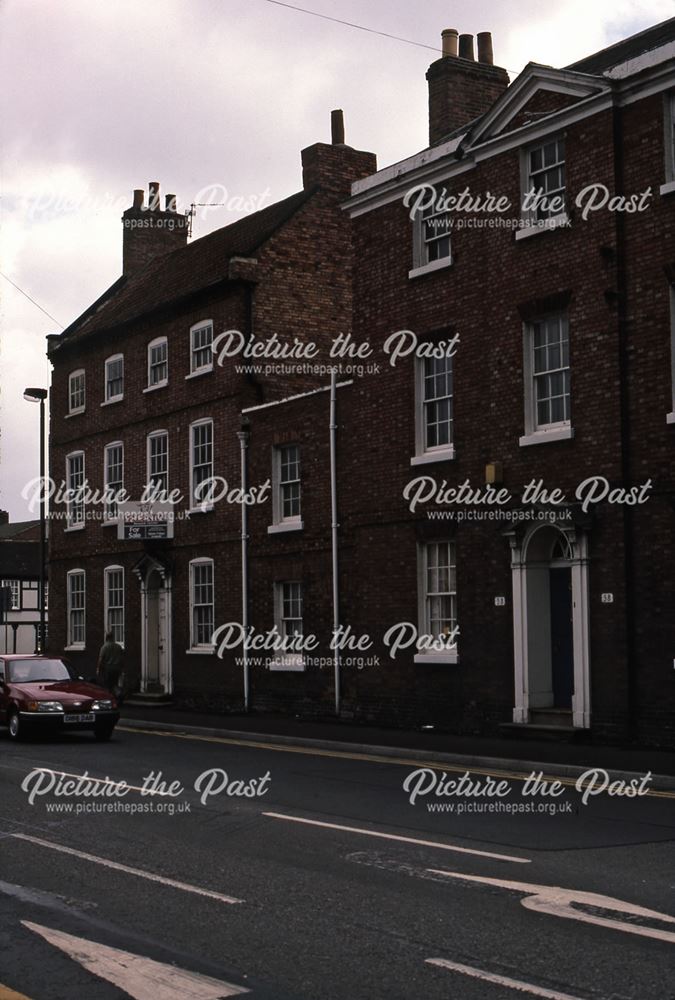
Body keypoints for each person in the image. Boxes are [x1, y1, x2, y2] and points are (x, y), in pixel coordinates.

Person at [97, 631, 124, 701]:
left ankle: (110, 699)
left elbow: (101, 659)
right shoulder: (118, 647)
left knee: (108, 685)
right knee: (115, 683)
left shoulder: (104, 647)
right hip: (117, 668)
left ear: (106, 638)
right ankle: (118, 695)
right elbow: (122, 659)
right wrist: (122, 669)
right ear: (113, 638)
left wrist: (98, 669)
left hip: (108, 669)